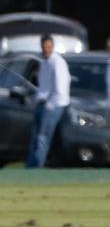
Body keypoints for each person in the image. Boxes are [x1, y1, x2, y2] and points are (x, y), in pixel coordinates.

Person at [26, 34, 70, 168]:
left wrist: (49, 105)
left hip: (53, 106)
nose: (46, 49)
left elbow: (60, 88)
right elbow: (43, 87)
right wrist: (36, 99)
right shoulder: (43, 63)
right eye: (44, 47)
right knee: (34, 138)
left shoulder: (58, 63)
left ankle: (36, 168)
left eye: (49, 47)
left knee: (42, 138)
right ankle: (30, 167)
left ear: (52, 47)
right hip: (42, 104)